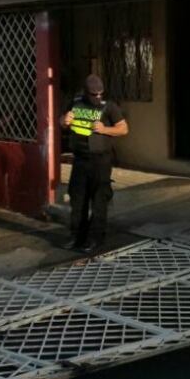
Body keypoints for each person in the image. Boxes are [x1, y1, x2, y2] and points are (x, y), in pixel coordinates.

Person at [61, 74, 128, 253]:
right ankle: (76, 236)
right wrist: (64, 121)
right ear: (85, 93)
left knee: (99, 201)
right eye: (93, 94)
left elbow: (123, 128)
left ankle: (96, 238)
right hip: (80, 160)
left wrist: (104, 129)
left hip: (100, 161)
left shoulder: (109, 107)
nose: (98, 97)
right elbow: (63, 121)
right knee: (78, 200)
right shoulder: (75, 102)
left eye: (100, 93)